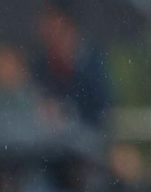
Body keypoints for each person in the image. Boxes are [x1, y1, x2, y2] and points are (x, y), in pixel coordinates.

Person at [31, 1, 112, 130]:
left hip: (85, 136)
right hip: (49, 138)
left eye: (51, 22)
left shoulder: (90, 59)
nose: (45, 30)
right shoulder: (42, 62)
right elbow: (35, 96)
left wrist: (65, 111)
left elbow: (102, 105)